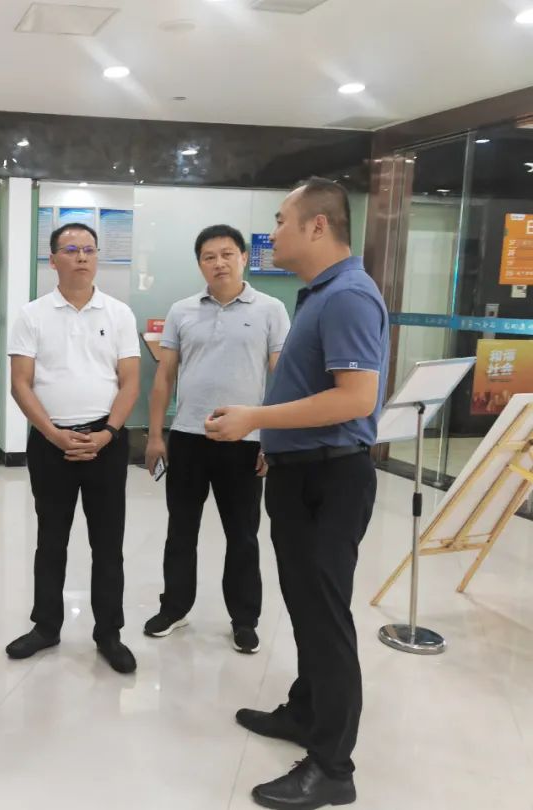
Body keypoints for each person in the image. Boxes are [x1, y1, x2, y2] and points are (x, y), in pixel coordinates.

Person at [205, 178, 389, 810]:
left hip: (329, 479)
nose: (272, 231)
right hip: (299, 472)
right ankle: (306, 711)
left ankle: (333, 768)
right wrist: (274, 440)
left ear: (317, 226)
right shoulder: (320, 294)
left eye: (282, 220)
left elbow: (355, 399)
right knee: (306, 608)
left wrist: (257, 420)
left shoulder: (349, 296)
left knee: (326, 618)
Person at [144, 225, 290, 654]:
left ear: (243, 257)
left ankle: (244, 620)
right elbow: (164, 377)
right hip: (188, 436)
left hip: (245, 440)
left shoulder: (271, 309)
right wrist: (155, 435)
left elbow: (282, 378)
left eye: (227, 254)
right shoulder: (182, 311)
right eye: (209, 256)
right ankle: (174, 607)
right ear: (200, 264)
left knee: (243, 535)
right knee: (180, 530)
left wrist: (272, 438)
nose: (219, 263)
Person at [5, 222, 141, 674]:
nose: (81, 256)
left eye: (89, 249)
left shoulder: (119, 314)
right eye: (71, 249)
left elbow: (130, 382)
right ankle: (46, 626)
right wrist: (53, 434)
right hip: (52, 444)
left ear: (97, 257)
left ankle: (109, 634)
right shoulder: (32, 315)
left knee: (108, 543)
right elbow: (21, 384)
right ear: (52, 260)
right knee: (51, 540)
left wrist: (108, 433)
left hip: (106, 442)